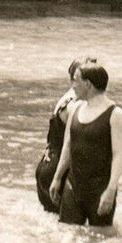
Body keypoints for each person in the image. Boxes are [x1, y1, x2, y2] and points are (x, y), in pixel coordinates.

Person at [49, 62, 122, 227]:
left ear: (88, 84)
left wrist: (111, 190)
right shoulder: (76, 108)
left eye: (76, 80)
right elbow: (67, 147)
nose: (73, 85)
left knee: (101, 241)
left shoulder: (115, 115)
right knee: (66, 235)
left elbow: (118, 156)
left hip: (100, 191)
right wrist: (57, 178)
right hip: (73, 187)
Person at [34, 59, 83, 214]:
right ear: (73, 80)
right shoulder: (74, 105)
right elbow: (71, 147)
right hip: (58, 170)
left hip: (47, 163)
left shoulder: (68, 98)